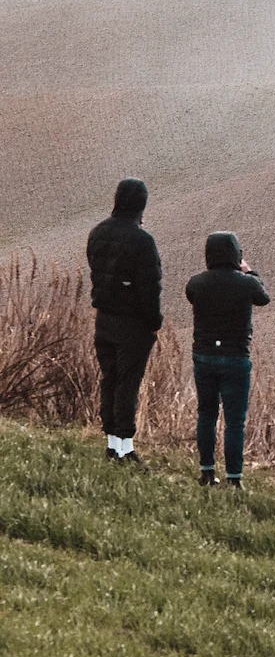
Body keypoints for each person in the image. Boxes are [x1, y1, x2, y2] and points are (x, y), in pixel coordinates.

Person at [184, 232, 270, 488]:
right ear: (236, 253)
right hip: (235, 357)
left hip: (204, 355)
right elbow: (263, 298)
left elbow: (191, 296)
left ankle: (207, 472)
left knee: (206, 415)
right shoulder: (246, 283)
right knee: (234, 421)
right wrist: (249, 272)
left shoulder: (196, 283)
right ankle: (234, 478)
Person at [86, 179, 162, 465]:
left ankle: (111, 445)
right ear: (141, 205)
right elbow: (150, 288)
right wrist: (154, 321)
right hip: (133, 324)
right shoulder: (142, 241)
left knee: (110, 380)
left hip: (103, 319)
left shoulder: (98, 232)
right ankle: (125, 449)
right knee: (128, 384)